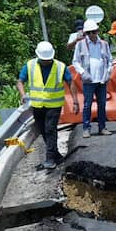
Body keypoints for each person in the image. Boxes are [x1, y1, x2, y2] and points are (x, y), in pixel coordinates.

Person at [16, 41, 78, 170]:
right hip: (37, 105)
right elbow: (20, 81)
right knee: (43, 130)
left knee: (50, 129)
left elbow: (71, 82)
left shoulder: (60, 66)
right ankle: (56, 155)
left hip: (54, 105)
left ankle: (50, 159)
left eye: (48, 59)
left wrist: (75, 101)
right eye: (44, 60)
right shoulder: (30, 65)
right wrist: (22, 94)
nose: (46, 62)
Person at [71, 19, 113, 138]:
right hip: (88, 80)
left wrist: (108, 72)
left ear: (97, 31)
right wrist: (83, 72)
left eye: (93, 32)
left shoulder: (103, 44)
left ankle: (102, 127)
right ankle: (86, 128)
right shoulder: (81, 44)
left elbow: (109, 60)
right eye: (88, 33)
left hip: (101, 79)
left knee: (102, 104)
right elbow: (75, 61)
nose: (91, 35)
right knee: (87, 105)